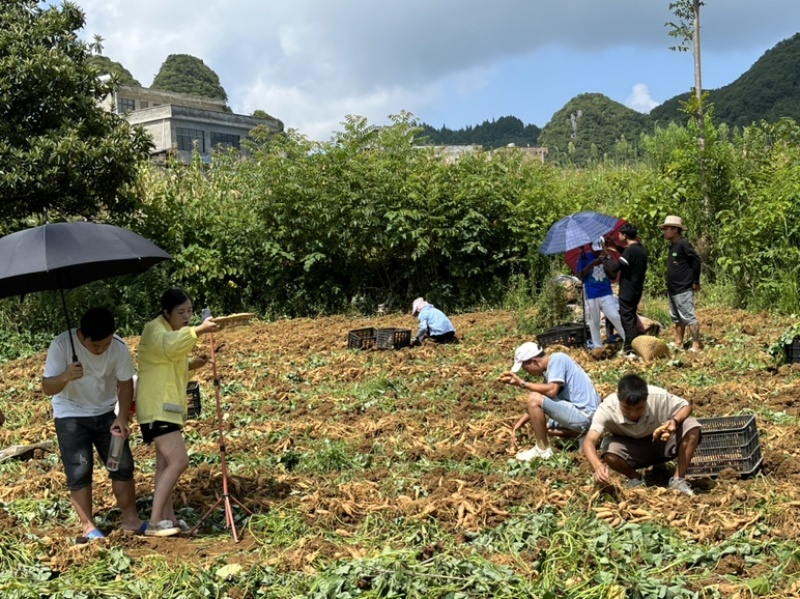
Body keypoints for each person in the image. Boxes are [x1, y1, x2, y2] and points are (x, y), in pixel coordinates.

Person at [42, 307, 145, 540]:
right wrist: (65, 376)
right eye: (96, 346)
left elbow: (126, 383)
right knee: (79, 468)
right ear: (82, 335)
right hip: (70, 414)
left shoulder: (118, 348)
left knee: (123, 464)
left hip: (107, 411)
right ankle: (88, 526)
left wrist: (121, 417)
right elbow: (47, 387)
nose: (102, 350)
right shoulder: (62, 346)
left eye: (106, 343)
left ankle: (131, 519)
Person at [136, 288, 218, 537]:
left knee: (165, 466)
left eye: (190, 312)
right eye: (181, 312)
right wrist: (199, 331)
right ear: (166, 312)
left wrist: (195, 363)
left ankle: (167, 519)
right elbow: (169, 348)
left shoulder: (169, 332)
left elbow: (172, 361)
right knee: (180, 461)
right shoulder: (154, 329)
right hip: (157, 408)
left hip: (166, 408)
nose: (186, 316)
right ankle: (153, 521)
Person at [582, 373, 701, 496]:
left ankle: (677, 480)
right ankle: (635, 478)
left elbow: (686, 406)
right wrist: (598, 466)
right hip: (632, 450)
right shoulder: (607, 408)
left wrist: (674, 421)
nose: (633, 414)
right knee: (608, 449)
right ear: (618, 398)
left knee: (691, 426)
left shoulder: (658, 396)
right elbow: (589, 442)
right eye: (627, 408)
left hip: (662, 443)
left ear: (646, 398)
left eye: (639, 408)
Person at [499, 342, 601, 461]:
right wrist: (519, 425)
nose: (528, 372)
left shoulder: (557, 359)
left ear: (535, 361)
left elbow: (550, 391)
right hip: (589, 418)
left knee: (533, 397)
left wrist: (522, 383)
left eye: (526, 368)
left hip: (585, 415)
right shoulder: (551, 372)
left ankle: (542, 450)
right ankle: (586, 436)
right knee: (545, 427)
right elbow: (541, 401)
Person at [659, 215, 702, 352]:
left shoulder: (684, 244)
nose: (665, 232)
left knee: (688, 316)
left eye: (667, 229)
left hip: (683, 287)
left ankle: (696, 344)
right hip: (673, 288)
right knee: (677, 317)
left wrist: (695, 281)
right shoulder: (673, 246)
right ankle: (679, 342)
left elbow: (696, 260)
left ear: (675, 230)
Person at [604, 223, 648, 358]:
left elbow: (615, 268)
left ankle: (632, 350)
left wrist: (607, 255)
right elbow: (629, 256)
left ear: (625, 236)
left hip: (627, 290)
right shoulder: (640, 249)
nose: (617, 237)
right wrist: (615, 247)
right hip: (636, 289)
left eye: (619, 235)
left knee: (627, 319)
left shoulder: (630, 251)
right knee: (630, 316)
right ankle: (629, 346)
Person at [576, 236, 625, 349]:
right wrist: (592, 264)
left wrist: (606, 263)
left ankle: (628, 340)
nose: (597, 252)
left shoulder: (607, 257)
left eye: (599, 250)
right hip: (591, 294)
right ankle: (598, 347)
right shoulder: (584, 257)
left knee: (615, 316)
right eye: (595, 250)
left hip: (606, 293)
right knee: (593, 321)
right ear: (591, 248)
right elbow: (579, 276)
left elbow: (613, 276)